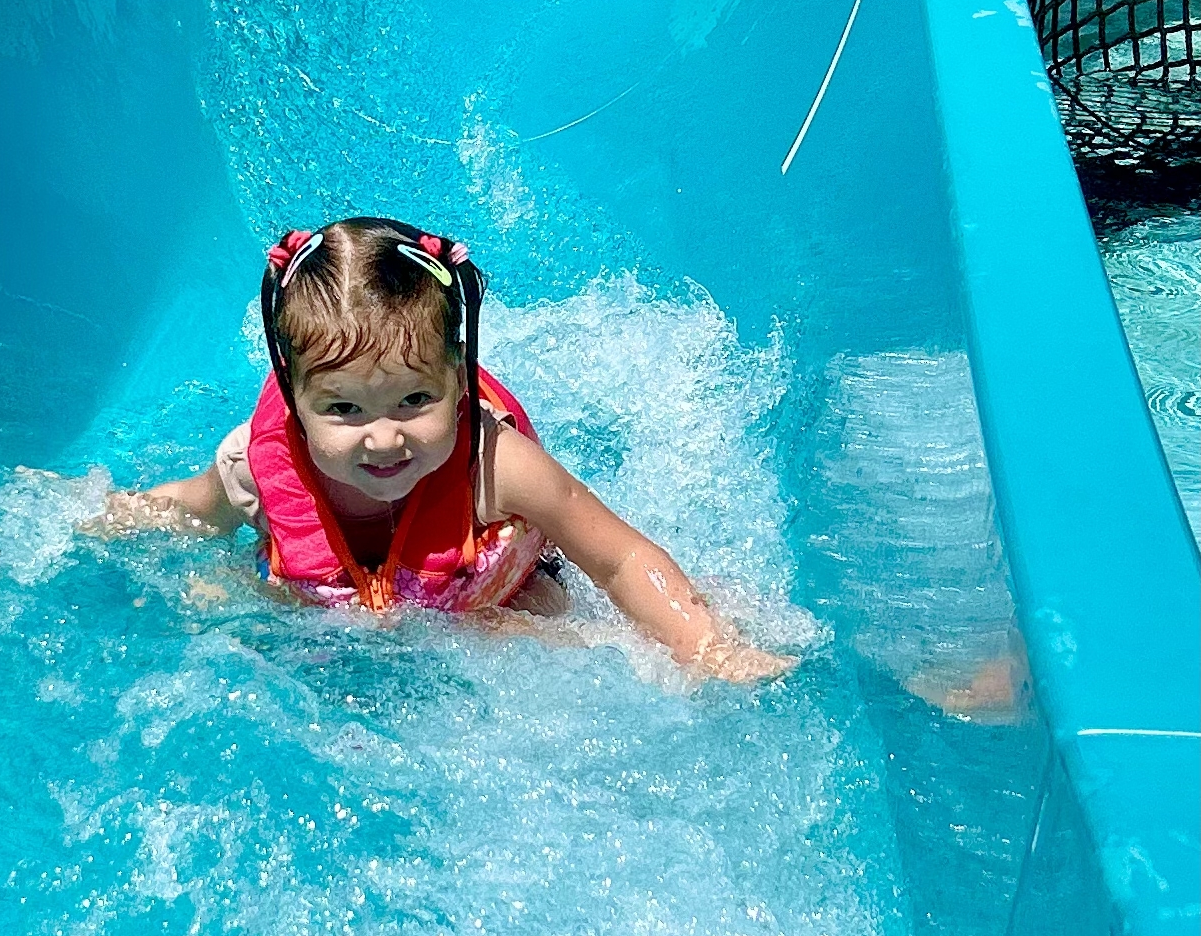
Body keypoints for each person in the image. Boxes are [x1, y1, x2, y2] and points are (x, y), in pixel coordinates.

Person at [66, 217, 795, 684]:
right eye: (344, 409)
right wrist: (92, 513)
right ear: (293, 400)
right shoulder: (253, 466)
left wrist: (708, 650)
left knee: (552, 647)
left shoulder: (495, 466)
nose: (384, 437)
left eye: (413, 401)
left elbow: (617, 557)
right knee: (211, 609)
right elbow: (189, 508)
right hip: (336, 614)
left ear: (455, 378)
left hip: (486, 602)